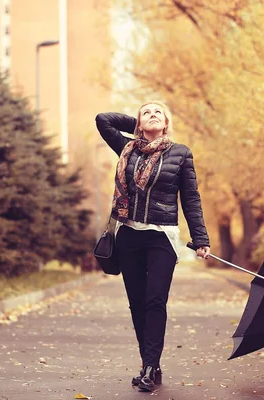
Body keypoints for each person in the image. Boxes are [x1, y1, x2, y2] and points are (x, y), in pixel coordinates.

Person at [95, 101, 211, 392]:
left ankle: (148, 367)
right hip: (128, 235)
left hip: (162, 236)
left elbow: (191, 199)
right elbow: (103, 120)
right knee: (137, 302)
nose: (152, 115)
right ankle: (151, 363)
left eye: (158, 112)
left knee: (155, 301)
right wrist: (136, 123)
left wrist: (201, 238)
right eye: (146, 112)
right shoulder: (127, 149)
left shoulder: (180, 153)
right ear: (139, 122)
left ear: (167, 121)